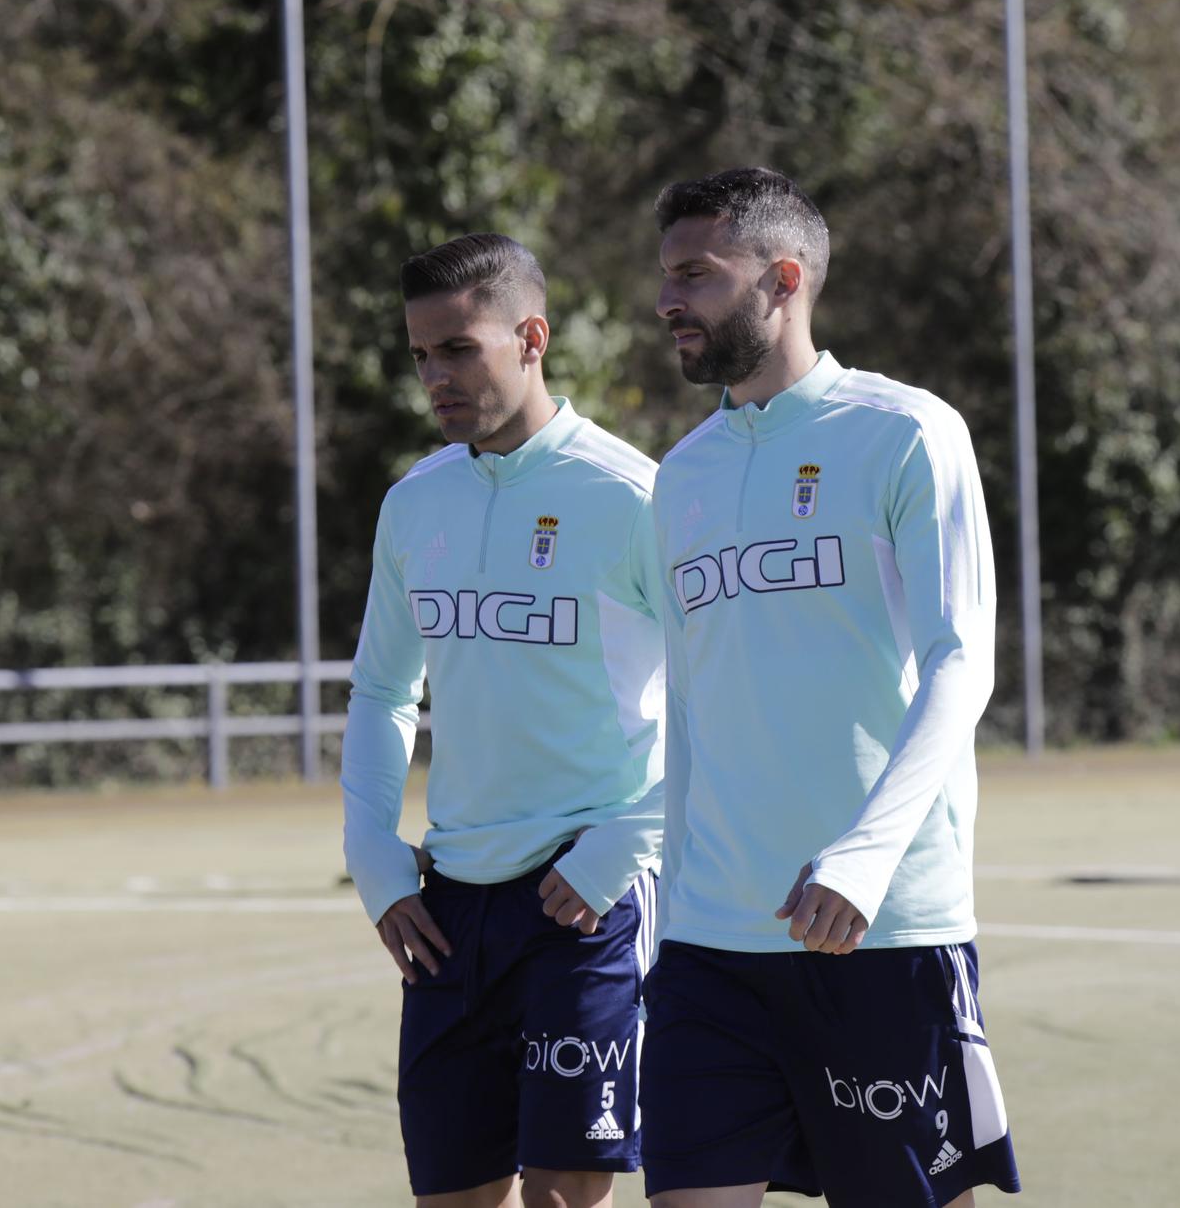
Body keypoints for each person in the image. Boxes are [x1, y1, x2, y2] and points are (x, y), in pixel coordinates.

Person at [641, 169, 1021, 1208]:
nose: (668, 301)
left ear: (783, 278)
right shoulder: (681, 474)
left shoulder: (903, 431)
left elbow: (961, 661)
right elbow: (686, 709)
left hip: (880, 928)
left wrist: (861, 857)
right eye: (664, 278)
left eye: (695, 276)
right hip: (709, 944)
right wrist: (666, 911)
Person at [341, 232, 666, 1208]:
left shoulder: (632, 494)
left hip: (585, 895)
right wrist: (375, 857)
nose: (434, 376)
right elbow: (382, 691)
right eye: (419, 354)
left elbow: (716, 695)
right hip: (448, 902)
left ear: (530, 337)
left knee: (562, 1196)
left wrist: (623, 845)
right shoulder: (414, 503)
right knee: (453, 1197)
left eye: (457, 348)